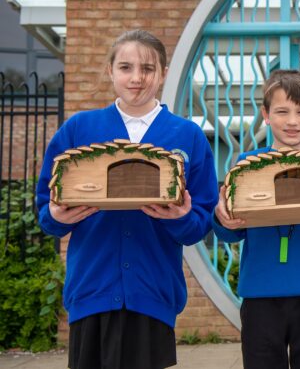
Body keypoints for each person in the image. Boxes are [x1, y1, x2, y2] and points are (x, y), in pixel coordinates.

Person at [35, 29, 218, 369]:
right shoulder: (78, 130)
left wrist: (178, 216)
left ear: (162, 74)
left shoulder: (187, 136)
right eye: (125, 67)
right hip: (91, 291)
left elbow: (200, 225)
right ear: (110, 71)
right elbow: (46, 213)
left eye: (147, 69)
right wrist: (58, 216)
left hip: (153, 292)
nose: (137, 78)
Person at [213, 69, 300, 369]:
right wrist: (220, 215)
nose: (293, 121)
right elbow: (230, 234)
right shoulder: (246, 166)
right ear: (266, 114)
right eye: (282, 111)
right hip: (261, 294)